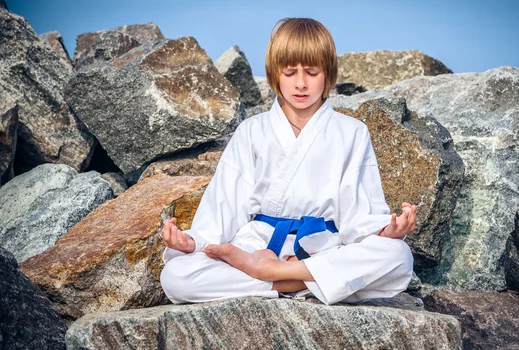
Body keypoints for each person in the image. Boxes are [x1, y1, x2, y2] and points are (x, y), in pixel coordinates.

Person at [160, 17, 416, 305]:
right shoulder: (252, 131)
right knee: (176, 275)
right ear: (274, 74)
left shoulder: (351, 132)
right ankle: (306, 284)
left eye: (312, 71)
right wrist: (191, 242)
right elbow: (223, 207)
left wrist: (387, 230)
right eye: (290, 72)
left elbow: (360, 217)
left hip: (323, 248)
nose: (301, 83)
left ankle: (274, 276)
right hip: (256, 245)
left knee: (398, 258)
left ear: (328, 74)